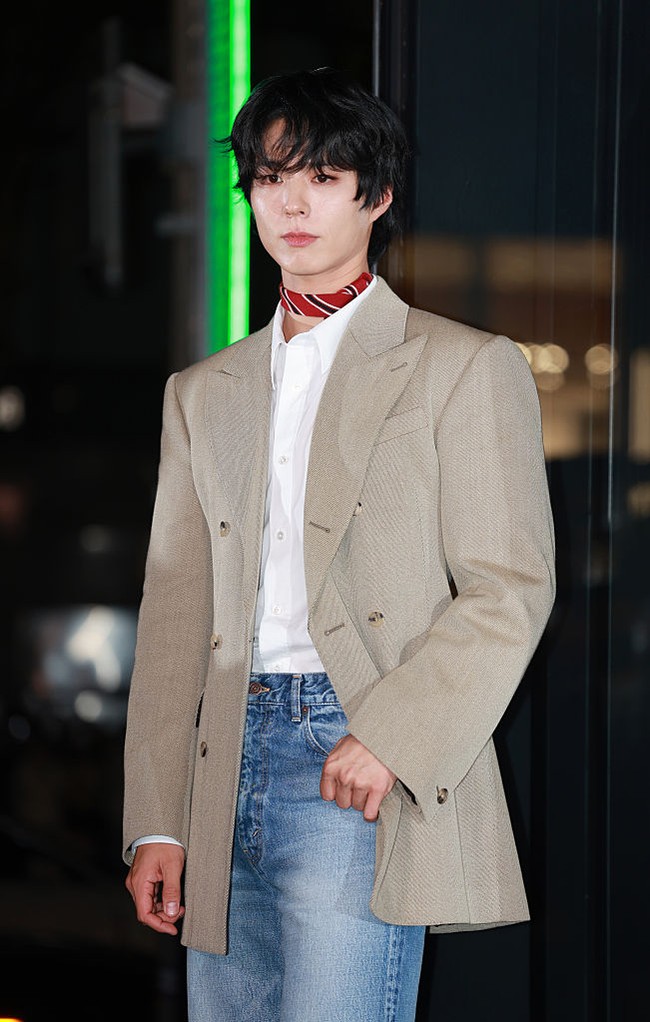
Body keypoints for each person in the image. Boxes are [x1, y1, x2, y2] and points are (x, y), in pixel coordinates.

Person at [122, 67, 556, 1022]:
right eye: (271, 179)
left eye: (321, 176)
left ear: (379, 195)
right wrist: (154, 819)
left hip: (349, 755)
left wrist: (392, 737)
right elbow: (173, 615)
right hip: (218, 758)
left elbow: (509, 588)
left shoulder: (462, 367)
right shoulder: (202, 393)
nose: (292, 202)